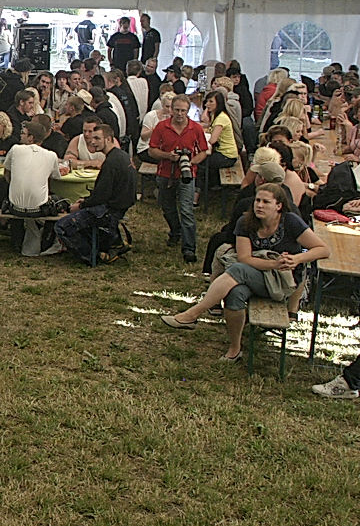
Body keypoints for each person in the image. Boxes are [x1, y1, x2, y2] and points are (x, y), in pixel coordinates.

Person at [162, 183, 328, 361]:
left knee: (237, 270)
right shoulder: (245, 222)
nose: (259, 205)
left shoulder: (291, 221)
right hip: (255, 272)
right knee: (235, 293)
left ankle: (193, 314)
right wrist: (273, 263)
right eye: (257, 200)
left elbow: (323, 249)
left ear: (279, 205)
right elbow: (245, 258)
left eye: (266, 202)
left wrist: (297, 259)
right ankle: (234, 349)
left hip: (283, 282)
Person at [46, 124, 136, 261]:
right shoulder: (121, 156)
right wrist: (86, 201)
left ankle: (94, 256)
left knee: (62, 226)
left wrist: (80, 206)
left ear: (108, 139)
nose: (92, 142)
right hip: (118, 207)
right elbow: (102, 193)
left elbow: (101, 196)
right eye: (92, 138)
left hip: (109, 211)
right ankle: (113, 243)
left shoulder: (111, 162)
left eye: (97, 138)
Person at [149, 95, 208, 263]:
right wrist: (168, 156)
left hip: (187, 175)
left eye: (183, 110)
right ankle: (176, 231)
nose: (180, 114)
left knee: (186, 210)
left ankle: (189, 248)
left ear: (188, 110)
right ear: (171, 110)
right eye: (177, 110)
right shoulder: (162, 127)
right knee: (167, 207)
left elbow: (203, 151)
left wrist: (190, 162)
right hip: (165, 173)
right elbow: (152, 150)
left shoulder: (195, 128)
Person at [3, 120, 63, 256]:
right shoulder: (51, 155)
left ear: (31, 138)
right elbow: (55, 177)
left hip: (14, 207)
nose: (20, 136)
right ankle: (51, 241)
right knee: (60, 200)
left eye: (23, 133)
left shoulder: (15, 149)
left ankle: (22, 240)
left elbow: (7, 173)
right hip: (38, 208)